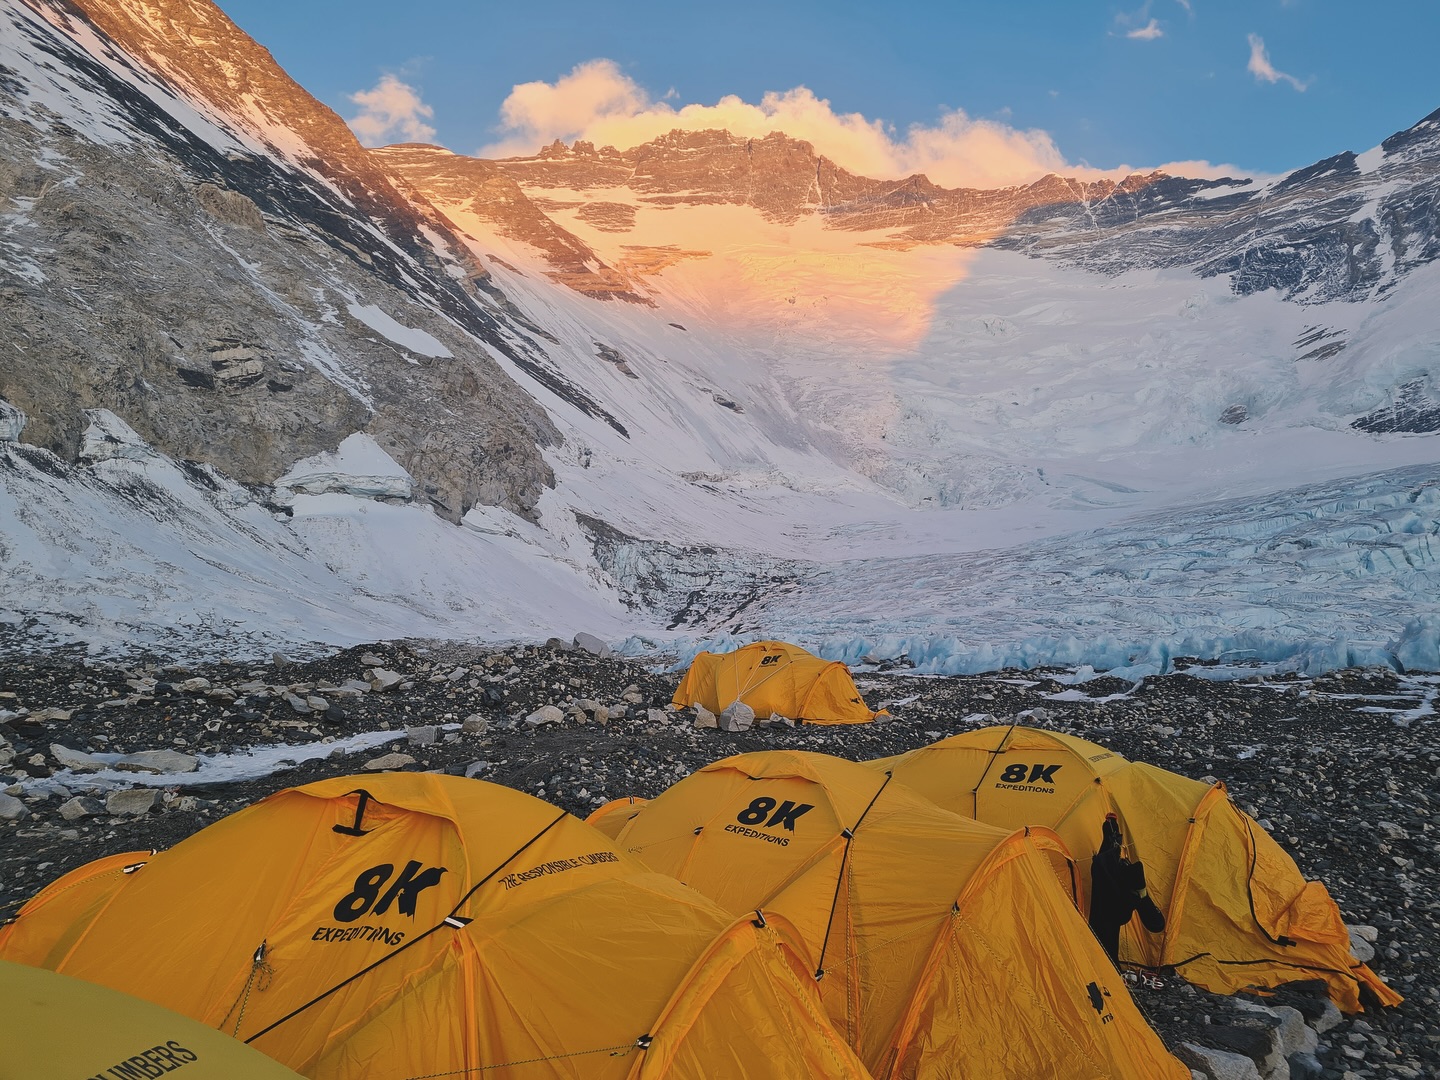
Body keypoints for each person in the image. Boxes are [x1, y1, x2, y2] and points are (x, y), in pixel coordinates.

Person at [1088, 813, 1166, 966]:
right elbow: (1155, 924)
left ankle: (1111, 838)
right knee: (1108, 928)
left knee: (1106, 928)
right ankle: (1112, 838)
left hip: (1110, 903)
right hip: (1116, 899)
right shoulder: (1108, 868)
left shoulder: (1104, 868)